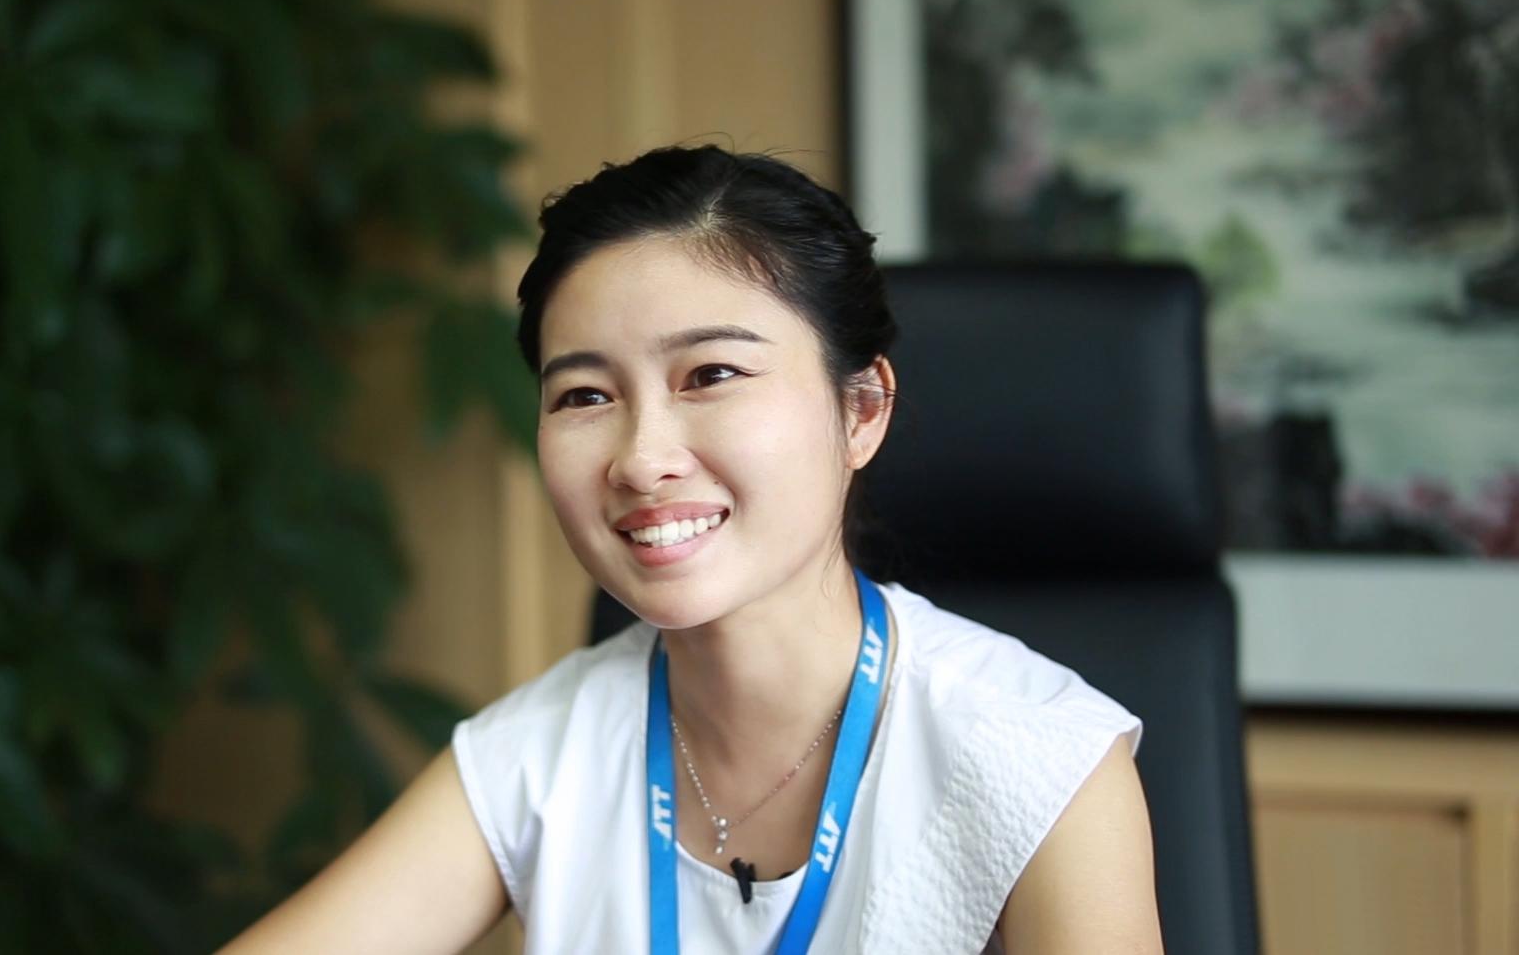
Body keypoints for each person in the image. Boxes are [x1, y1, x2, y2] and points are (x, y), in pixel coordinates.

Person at [218, 146, 1163, 954]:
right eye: (585, 395)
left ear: (861, 409)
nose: (641, 458)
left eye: (711, 374)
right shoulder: (538, 753)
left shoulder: (1039, 760)